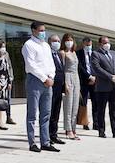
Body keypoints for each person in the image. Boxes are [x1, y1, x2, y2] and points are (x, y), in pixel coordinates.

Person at [22, 21, 59, 153]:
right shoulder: (28, 45)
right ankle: (32, 143)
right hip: (35, 81)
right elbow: (31, 65)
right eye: (40, 30)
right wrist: (44, 78)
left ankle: (46, 141)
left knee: (46, 113)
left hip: (48, 81)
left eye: (44, 30)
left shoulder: (46, 46)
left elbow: (51, 63)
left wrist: (51, 77)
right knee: (32, 114)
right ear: (33, 31)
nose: (43, 33)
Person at [92, 36, 115, 139]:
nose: (107, 44)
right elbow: (97, 68)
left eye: (108, 42)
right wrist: (110, 77)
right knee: (101, 110)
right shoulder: (96, 54)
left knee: (113, 111)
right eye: (104, 43)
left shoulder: (114, 53)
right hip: (103, 87)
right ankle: (101, 131)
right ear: (100, 44)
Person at [58, 33, 80, 141]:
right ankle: (68, 129)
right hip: (67, 77)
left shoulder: (74, 52)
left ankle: (74, 128)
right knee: (68, 104)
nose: (69, 42)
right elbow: (61, 68)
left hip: (76, 78)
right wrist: (64, 83)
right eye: (67, 40)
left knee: (75, 105)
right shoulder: (62, 53)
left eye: (71, 40)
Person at [47, 33, 67, 147]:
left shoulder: (59, 55)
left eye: (59, 41)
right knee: (49, 112)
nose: (57, 43)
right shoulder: (48, 54)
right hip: (51, 87)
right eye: (55, 41)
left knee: (56, 112)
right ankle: (48, 135)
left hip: (59, 87)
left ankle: (54, 134)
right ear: (50, 42)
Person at [0, 39, 16, 129]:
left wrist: (10, 81)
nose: (3, 49)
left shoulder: (6, 56)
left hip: (5, 81)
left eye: (4, 47)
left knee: (5, 100)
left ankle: (3, 119)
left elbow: (8, 69)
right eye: (1, 47)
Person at [77, 37, 96, 131]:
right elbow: (80, 67)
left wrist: (94, 77)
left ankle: (96, 123)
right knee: (83, 102)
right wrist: (89, 76)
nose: (88, 46)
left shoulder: (95, 53)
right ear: (83, 44)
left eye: (90, 45)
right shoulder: (78, 53)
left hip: (95, 81)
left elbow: (98, 66)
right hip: (84, 81)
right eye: (87, 45)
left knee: (96, 102)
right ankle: (84, 122)